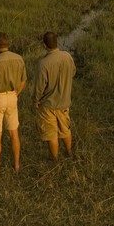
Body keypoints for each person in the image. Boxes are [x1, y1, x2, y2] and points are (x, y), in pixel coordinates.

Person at [0, 32, 27, 172]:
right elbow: (23, 81)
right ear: (8, 43)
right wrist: (16, 93)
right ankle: (16, 165)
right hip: (12, 96)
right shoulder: (19, 59)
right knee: (14, 132)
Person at [33, 31, 76, 161]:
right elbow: (73, 72)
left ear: (45, 45)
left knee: (51, 134)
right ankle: (69, 153)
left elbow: (39, 87)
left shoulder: (43, 63)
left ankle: (54, 159)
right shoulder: (67, 56)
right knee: (65, 130)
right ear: (57, 42)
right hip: (64, 102)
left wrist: (35, 100)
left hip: (48, 105)